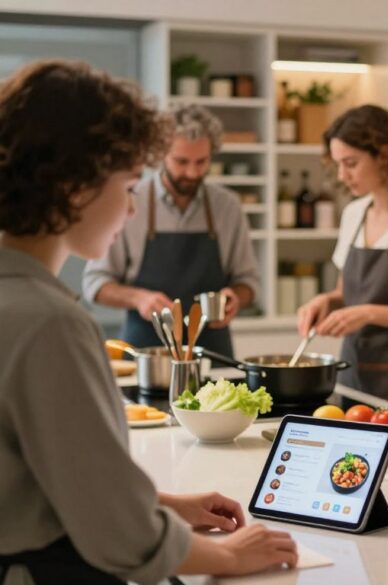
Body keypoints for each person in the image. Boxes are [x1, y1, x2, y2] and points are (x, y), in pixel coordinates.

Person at [0, 60, 296, 585]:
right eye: (131, 186)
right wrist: (230, 556)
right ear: (75, 187)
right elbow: (119, 533)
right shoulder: (51, 324)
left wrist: (161, 503)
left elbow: (41, 477)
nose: (134, 210)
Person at [83, 103, 260, 357]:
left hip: (212, 352)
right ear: (161, 155)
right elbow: (95, 283)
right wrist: (138, 298)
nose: (192, 172)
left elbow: (248, 281)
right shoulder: (132, 200)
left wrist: (236, 298)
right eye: (181, 161)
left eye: (202, 162)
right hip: (146, 352)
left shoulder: (227, 206)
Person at [296, 105, 388, 416]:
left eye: (351, 163)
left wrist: (367, 313)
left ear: (385, 155)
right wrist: (326, 301)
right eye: (337, 165)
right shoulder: (353, 214)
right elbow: (344, 293)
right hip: (352, 375)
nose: (341, 175)